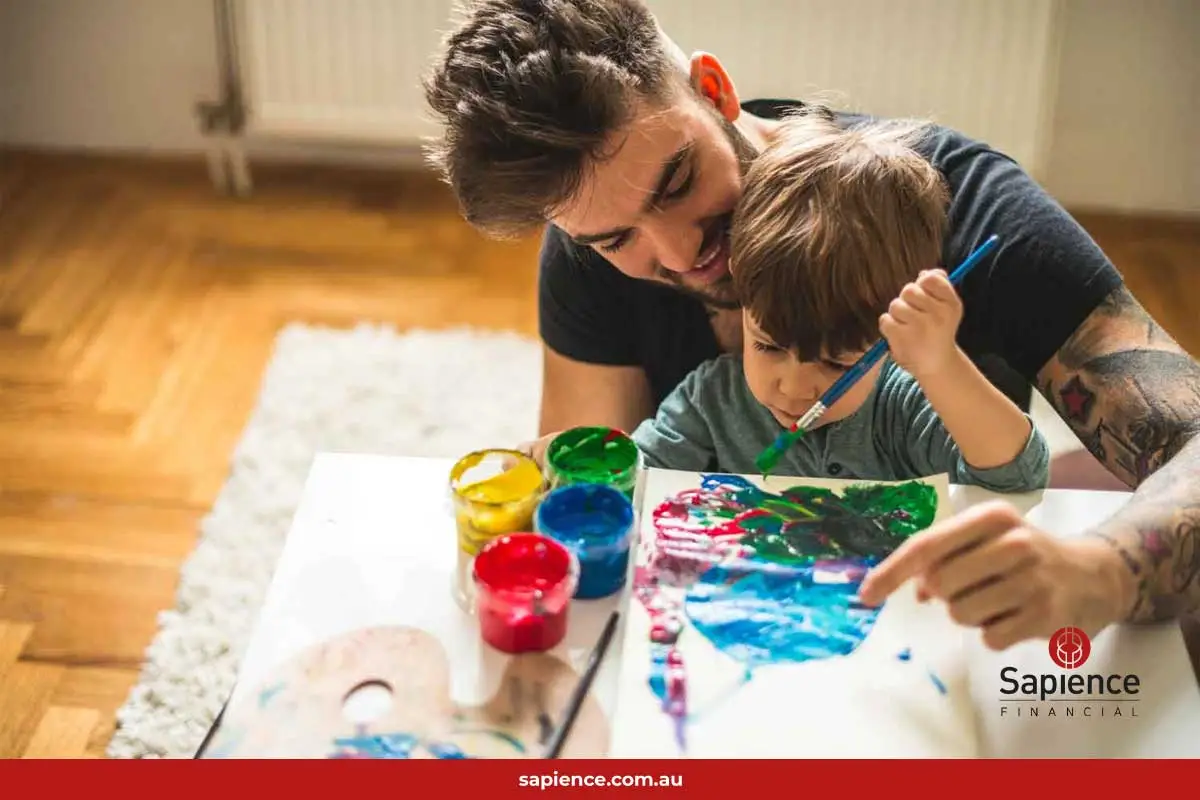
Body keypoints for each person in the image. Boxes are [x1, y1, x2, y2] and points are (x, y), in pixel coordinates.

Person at [422, 0, 1200, 650]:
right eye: (614, 238)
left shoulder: (962, 206)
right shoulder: (588, 248)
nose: (679, 252)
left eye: (678, 182)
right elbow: (600, 502)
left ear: (714, 89)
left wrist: (1099, 571)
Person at [622, 113, 1051, 496]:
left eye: (836, 364)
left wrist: (941, 363)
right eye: (769, 346)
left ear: (889, 335)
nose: (792, 389)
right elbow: (638, 476)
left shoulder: (900, 406)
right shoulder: (711, 401)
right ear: (740, 286)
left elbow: (1016, 477)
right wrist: (585, 466)